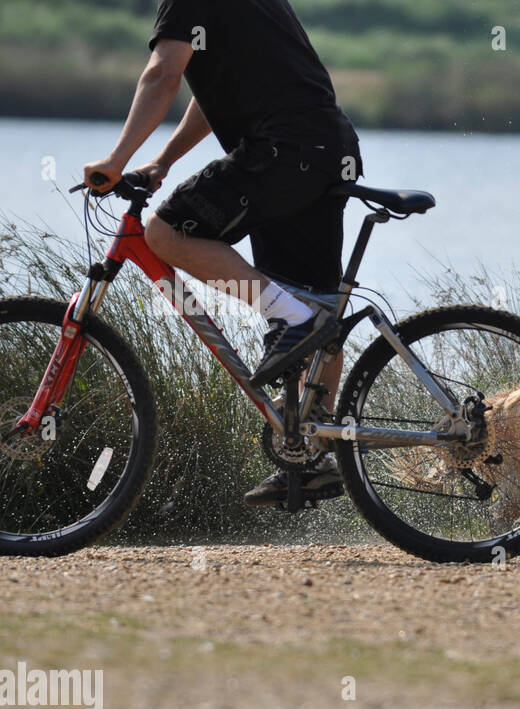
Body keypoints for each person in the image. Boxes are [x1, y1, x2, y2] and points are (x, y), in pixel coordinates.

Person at [82, 0, 363, 507]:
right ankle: (311, 454)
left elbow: (163, 74)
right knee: (312, 306)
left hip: (283, 152)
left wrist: (115, 160)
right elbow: (210, 91)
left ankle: (294, 322)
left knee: (166, 235)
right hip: (324, 150)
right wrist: (162, 160)